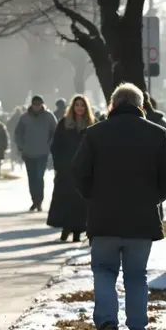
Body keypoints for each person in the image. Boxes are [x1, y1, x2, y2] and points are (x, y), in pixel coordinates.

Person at [71, 83, 166, 330]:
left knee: (104, 271)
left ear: (112, 105)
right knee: (136, 275)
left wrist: (92, 196)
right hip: (141, 218)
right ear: (141, 105)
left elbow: (79, 171)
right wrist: (155, 198)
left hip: (104, 216)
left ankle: (106, 321)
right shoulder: (157, 133)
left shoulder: (95, 134)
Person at [48, 95, 94, 243]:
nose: (79, 108)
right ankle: (66, 227)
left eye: (82, 105)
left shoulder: (92, 125)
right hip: (66, 170)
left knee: (81, 201)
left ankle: (78, 231)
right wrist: (59, 165)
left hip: (84, 170)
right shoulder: (64, 123)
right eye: (77, 105)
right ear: (72, 107)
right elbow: (56, 146)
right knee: (66, 199)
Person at [16, 96, 58, 212]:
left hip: (42, 152)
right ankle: (34, 200)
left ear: (42, 105)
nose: (37, 106)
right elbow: (18, 133)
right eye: (35, 104)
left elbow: (56, 132)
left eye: (39, 104)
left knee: (39, 177)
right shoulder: (25, 118)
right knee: (32, 178)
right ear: (32, 105)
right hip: (28, 152)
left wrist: (50, 145)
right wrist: (21, 146)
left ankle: (39, 201)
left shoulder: (49, 117)